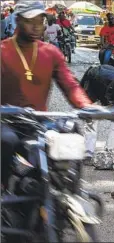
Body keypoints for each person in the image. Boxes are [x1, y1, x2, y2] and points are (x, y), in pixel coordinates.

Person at [1, 1, 94, 187]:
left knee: (69, 137)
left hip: (38, 122)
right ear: (17, 20)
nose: (36, 26)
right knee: (6, 141)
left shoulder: (51, 53)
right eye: (30, 21)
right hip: (7, 122)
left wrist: (87, 106)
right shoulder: (3, 52)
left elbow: (70, 85)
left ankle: (69, 193)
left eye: (40, 20)